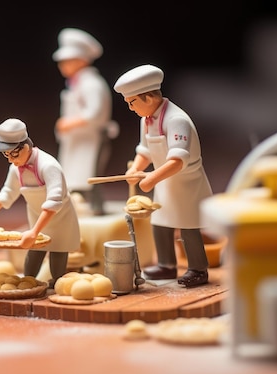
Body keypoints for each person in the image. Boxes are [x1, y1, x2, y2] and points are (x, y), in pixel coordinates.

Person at [113, 64, 213, 288]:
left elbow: (178, 160)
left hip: (186, 182)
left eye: (132, 103)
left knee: (188, 226)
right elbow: (145, 150)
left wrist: (150, 179)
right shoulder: (146, 120)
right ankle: (166, 264)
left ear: (147, 98)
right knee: (160, 222)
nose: (130, 108)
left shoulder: (177, 120)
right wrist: (135, 169)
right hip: (163, 180)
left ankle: (198, 268)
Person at [0, 118, 81, 288]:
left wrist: (34, 231)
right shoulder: (15, 167)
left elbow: (54, 201)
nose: (10, 160)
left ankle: (58, 285)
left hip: (60, 218)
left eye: (14, 154)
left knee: (58, 252)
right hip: (36, 215)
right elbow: (9, 191)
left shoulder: (49, 166)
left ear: (25, 147)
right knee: (34, 252)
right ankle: (28, 282)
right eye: (7, 155)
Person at [52, 28, 116, 215]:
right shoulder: (76, 83)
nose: (62, 65)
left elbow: (94, 113)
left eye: (67, 61)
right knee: (74, 176)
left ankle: (94, 208)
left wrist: (70, 123)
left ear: (81, 60)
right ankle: (79, 209)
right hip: (76, 141)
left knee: (89, 176)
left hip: (90, 139)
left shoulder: (91, 83)